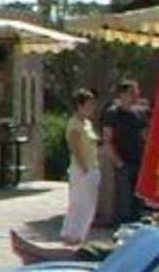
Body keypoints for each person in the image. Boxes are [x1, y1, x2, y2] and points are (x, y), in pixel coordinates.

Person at [101, 78, 147, 225]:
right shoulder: (112, 113)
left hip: (139, 159)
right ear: (122, 94)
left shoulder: (139, 112)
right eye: (131, 92)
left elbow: (145, 135)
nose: (135, 95)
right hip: (123, 161)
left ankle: (136, 221)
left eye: (136, 92)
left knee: (138, 196)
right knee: (124, 196)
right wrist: (118, 162)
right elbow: (107, 139)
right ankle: (122, 223)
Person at [62, 88, 102, 243]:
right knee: (79, 202)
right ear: (80, 105)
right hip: (82, 168)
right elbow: (74, 147)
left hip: (92, 166)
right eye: (89, 104)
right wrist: (84, 167)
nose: (92, 107)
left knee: (89, 204)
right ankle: (72, 234)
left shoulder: (87, 123)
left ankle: (79, 234)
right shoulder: (75, 124)